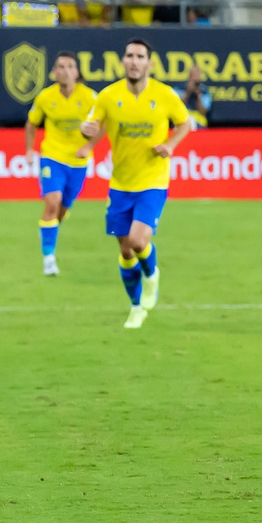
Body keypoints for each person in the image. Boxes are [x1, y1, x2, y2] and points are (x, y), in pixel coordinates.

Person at [78, 39, 191, 329]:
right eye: (129, 55)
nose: (134, 60)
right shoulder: (107, 95)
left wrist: (171, 144)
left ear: (149, 63)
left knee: (140, 241)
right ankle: (136, 305)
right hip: (120, 184)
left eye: (140, 56)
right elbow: (93, 125)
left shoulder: (164, 95)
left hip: (152, 181)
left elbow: (185, 122)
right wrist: (85, 133)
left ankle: (152, 276)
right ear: (123, 61)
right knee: (126, 250)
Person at [25, 52, 97, 276]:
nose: (64, 70)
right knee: (52, 203)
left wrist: (89, 146)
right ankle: (49, 259)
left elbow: (102, 124)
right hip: (52, 156)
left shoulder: (90, 97)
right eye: (60, 66)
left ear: (77, 72)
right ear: (55, 72)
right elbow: (31, 123)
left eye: (69, 66)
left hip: (78, 160)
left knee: (63, 209)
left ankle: (49, 228)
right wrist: (29, 149)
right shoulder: (46, 97)